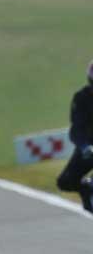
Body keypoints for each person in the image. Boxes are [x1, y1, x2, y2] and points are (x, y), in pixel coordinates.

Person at [57, 61, 93, 212]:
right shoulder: (81, 98)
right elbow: (76, 129)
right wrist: (85, 146)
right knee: (65, 181)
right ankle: (87, 189)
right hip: (89, 148)